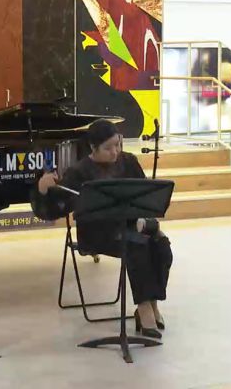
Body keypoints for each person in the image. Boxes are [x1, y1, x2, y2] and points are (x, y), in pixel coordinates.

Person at [31, 119, 173, 338]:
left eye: (118, 144)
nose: (115, 152)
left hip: (130, 227)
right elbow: (52, 211)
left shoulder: (129, 162)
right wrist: (42, 190)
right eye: (108, 148)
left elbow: (145, 196)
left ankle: (152, 303)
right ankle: (145, 309)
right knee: (138, 246)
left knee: (161, 245)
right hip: (97, 233)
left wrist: (144, 220)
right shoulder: (79, 172)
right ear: (93, 148)